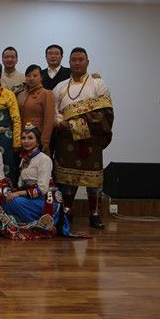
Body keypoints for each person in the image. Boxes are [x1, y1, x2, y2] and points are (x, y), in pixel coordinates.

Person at [53, 47, 114, 229]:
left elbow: (105, 112)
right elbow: (54, 111)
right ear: (69, 63)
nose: (77, 63)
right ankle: (67, 210)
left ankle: (94, 214)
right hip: (66, 139)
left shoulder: (98, 84)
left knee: (93, 180)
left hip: (91, 139)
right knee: (68, 179)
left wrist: (79, 125)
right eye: (74, 60)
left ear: (87, 62)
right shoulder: (61, 86)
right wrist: (61, 123)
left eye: (81, 59)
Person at [2, 124, 71, 239]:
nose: (26, 141)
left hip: (46, 200)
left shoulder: (44, 159)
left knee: (15, 202)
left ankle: (40, 227)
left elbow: (42, 190)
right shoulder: (24, 159)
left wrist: (17, 193)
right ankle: (23, 226)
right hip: (31, 197)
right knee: (5, 199)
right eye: (23, 138)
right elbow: (21, 185)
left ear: (38, 142)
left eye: (30, 138)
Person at [17, 64, 55, 154]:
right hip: (23, 138)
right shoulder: (20, 94)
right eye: (28, 76)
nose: (31, 78)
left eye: (35, 76)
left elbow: (49, 120)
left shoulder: (46, 94)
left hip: (38, 138)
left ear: (41, 77)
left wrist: (44, 142)